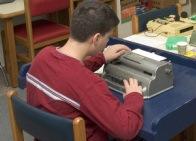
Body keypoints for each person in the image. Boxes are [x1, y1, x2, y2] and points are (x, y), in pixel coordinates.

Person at [26, 1, 144, 141]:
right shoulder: (89, 83)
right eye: (107, 38)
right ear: (97, 38)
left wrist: (102, 57)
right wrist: (134, 96)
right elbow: (126, 129)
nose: (107, 42)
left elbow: (65, 72)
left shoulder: (43, 56)